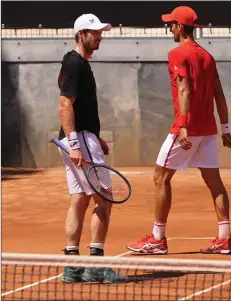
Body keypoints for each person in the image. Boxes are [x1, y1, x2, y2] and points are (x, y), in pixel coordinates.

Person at [126, 6, 231, 255]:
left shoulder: (177, 54)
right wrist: (226, 128)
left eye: (171, 24)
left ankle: (157, 239)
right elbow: (220, 94)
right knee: (214, 181)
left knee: (160, 177)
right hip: (208, 129)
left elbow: (185, 89)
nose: (169, 28)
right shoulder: (208, 56)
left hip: (187, 128)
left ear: (179, 27)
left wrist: (184, 125)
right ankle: (224, 238)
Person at [57, 13, 126, 284]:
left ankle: (72, 267)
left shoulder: (76, 63)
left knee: (79, 200)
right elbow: (65, 105)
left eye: (100, 32)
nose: (99, 36)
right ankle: (96, 266)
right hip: (78, 141)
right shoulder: (75, 65)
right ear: (80, 34)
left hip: (82, 138)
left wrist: (95, 138)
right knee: (104, 199)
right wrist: (77, 143)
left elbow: (78, 107)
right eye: (93, 32)